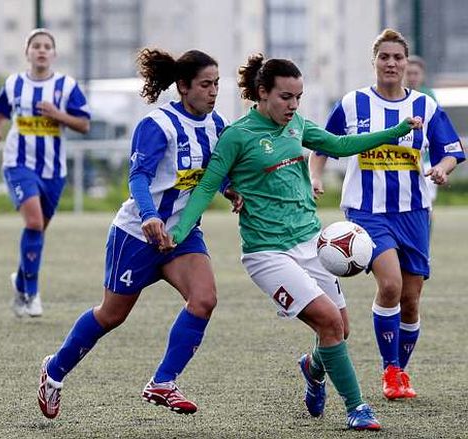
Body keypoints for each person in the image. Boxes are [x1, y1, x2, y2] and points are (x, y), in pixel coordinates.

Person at [163, 53, 423, 431]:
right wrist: (179, 231)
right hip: (268, 253)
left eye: (298, 97)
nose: (293, 105)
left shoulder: (297, 124)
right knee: (330, 322)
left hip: (312, 244)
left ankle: (312, 368)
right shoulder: (236, 136)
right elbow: (205, 188)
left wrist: (395, 131)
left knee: (340, 330)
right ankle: (357, 407)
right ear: (262, 93)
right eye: (285, 97)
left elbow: (340, 144)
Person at [36, 48, 237, 419]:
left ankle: (163, 381)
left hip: (182, 235)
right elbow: (139, 178)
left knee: (204, 299)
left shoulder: (217, 125)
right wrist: (148, 216)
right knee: (111, 315)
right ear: (183, 86)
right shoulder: (157, 124)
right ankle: (54, 371)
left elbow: (215, 173)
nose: (212, 92)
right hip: (136, 235)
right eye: (206, 85)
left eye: (216, 85)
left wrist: (231, 190)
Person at [309, 29, 465, 401]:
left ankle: (400, 371)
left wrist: (442, 168)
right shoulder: (352, 103)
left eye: (398, 58)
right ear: (374, 62)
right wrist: (315, 175)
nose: (392, 63)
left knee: (411, 299)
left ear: (406, 63)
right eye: (385, 57)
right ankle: (390, 371)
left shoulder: (424, 107)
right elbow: (322, 145)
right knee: (391, 285)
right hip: (367, 212)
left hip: (413, 211)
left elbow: (451, 149)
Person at [0, 28, 90, 317]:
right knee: (33, 223)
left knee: (38, 230)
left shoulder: (67, 86)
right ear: (27, 52)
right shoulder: (14, 84)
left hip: (53, 170)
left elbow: (84, 124)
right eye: (36, 46)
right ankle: (30, 294)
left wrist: (57, 114)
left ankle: (20, 279)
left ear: (54, 54)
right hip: (18, 164)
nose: (42, 50)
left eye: (47, 46)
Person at [404, 55, 438, 203]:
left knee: (426, 202)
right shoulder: (396, 95)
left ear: (422, 75)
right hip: (403, 157)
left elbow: (436, 126)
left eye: (415, 73)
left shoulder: (428, 96)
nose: (412, 77)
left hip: (425, 158)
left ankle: (426, 226)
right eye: (409, 73)